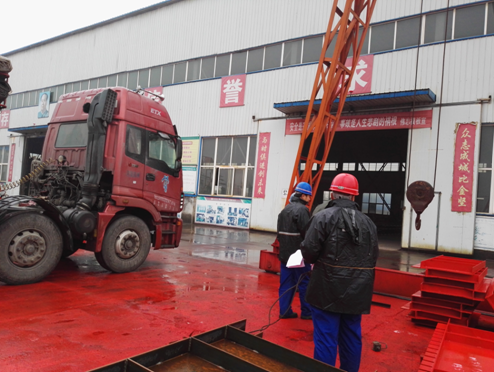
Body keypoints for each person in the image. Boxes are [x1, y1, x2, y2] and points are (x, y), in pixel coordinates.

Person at [300, 173, 379, 372]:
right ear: (355, 197)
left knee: (326, 338)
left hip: (326, 289)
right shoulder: (369, 224)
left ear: (333, 194)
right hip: (358, 292)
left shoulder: (322, 217)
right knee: (351, 337)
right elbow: (373, 257)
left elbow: (308, 252)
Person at [276, 181, 313, 320]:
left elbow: (279, 233)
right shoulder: (303, 210)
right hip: (299, 256)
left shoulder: (285, 210)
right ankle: (307, 312)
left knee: (286, 283)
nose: (309, 199)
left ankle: (284, 311)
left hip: (285, 255)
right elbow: (307, 234)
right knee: (304, 282)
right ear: (303, 196)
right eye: (308, 196)